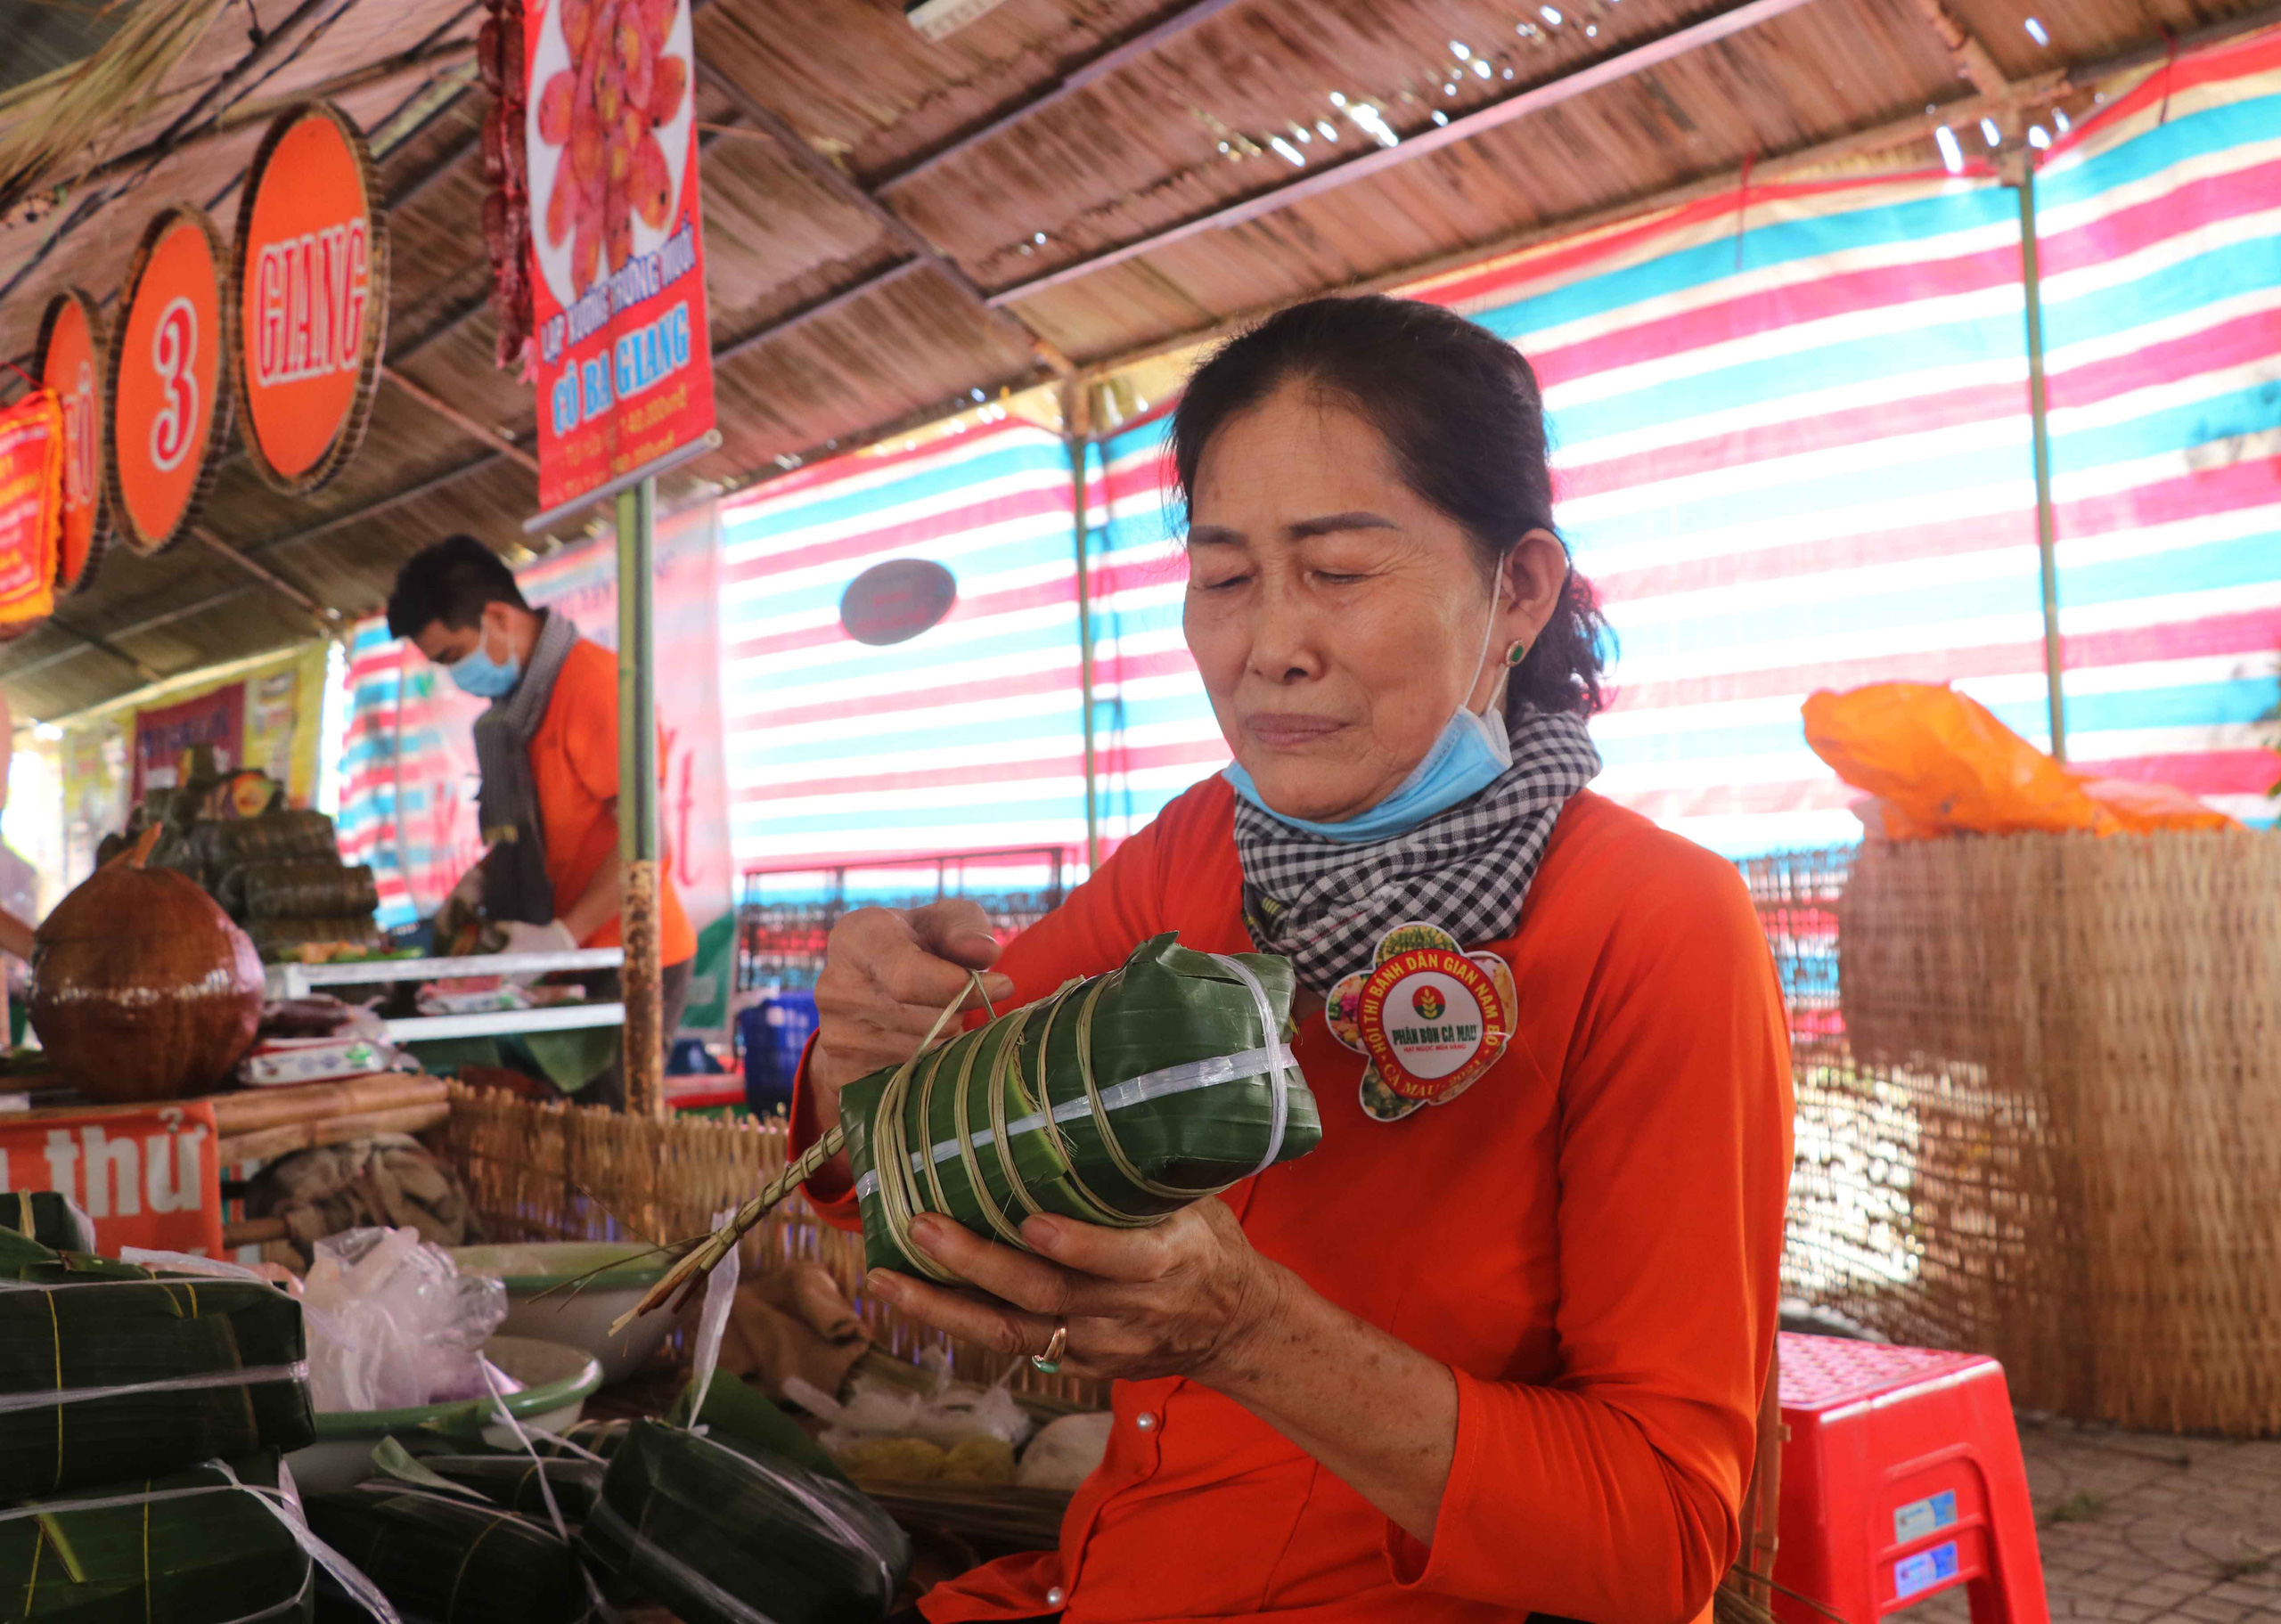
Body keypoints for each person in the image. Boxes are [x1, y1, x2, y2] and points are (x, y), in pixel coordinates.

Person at [791, 296, 1795, 1624]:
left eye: (1337, 570)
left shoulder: (1652, 923)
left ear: (1519, 589)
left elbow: (1661, 1536)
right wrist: (869, 1038)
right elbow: (888, 1172)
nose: (1270, 644)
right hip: (1112, 1576)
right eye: (1224, 577)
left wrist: (1247, 1330)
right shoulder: (1194, 856)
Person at [387, 535, 695, 1109]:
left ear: (499, 616)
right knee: (548, 1126)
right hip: (557, 959)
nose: (456, 678)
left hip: (626, 955)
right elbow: (533, 838)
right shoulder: (507, 721)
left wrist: (563, 936)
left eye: (454, 657)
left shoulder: (595, 685)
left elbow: (648, 843)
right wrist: (480, 881)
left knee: (613, 1131)